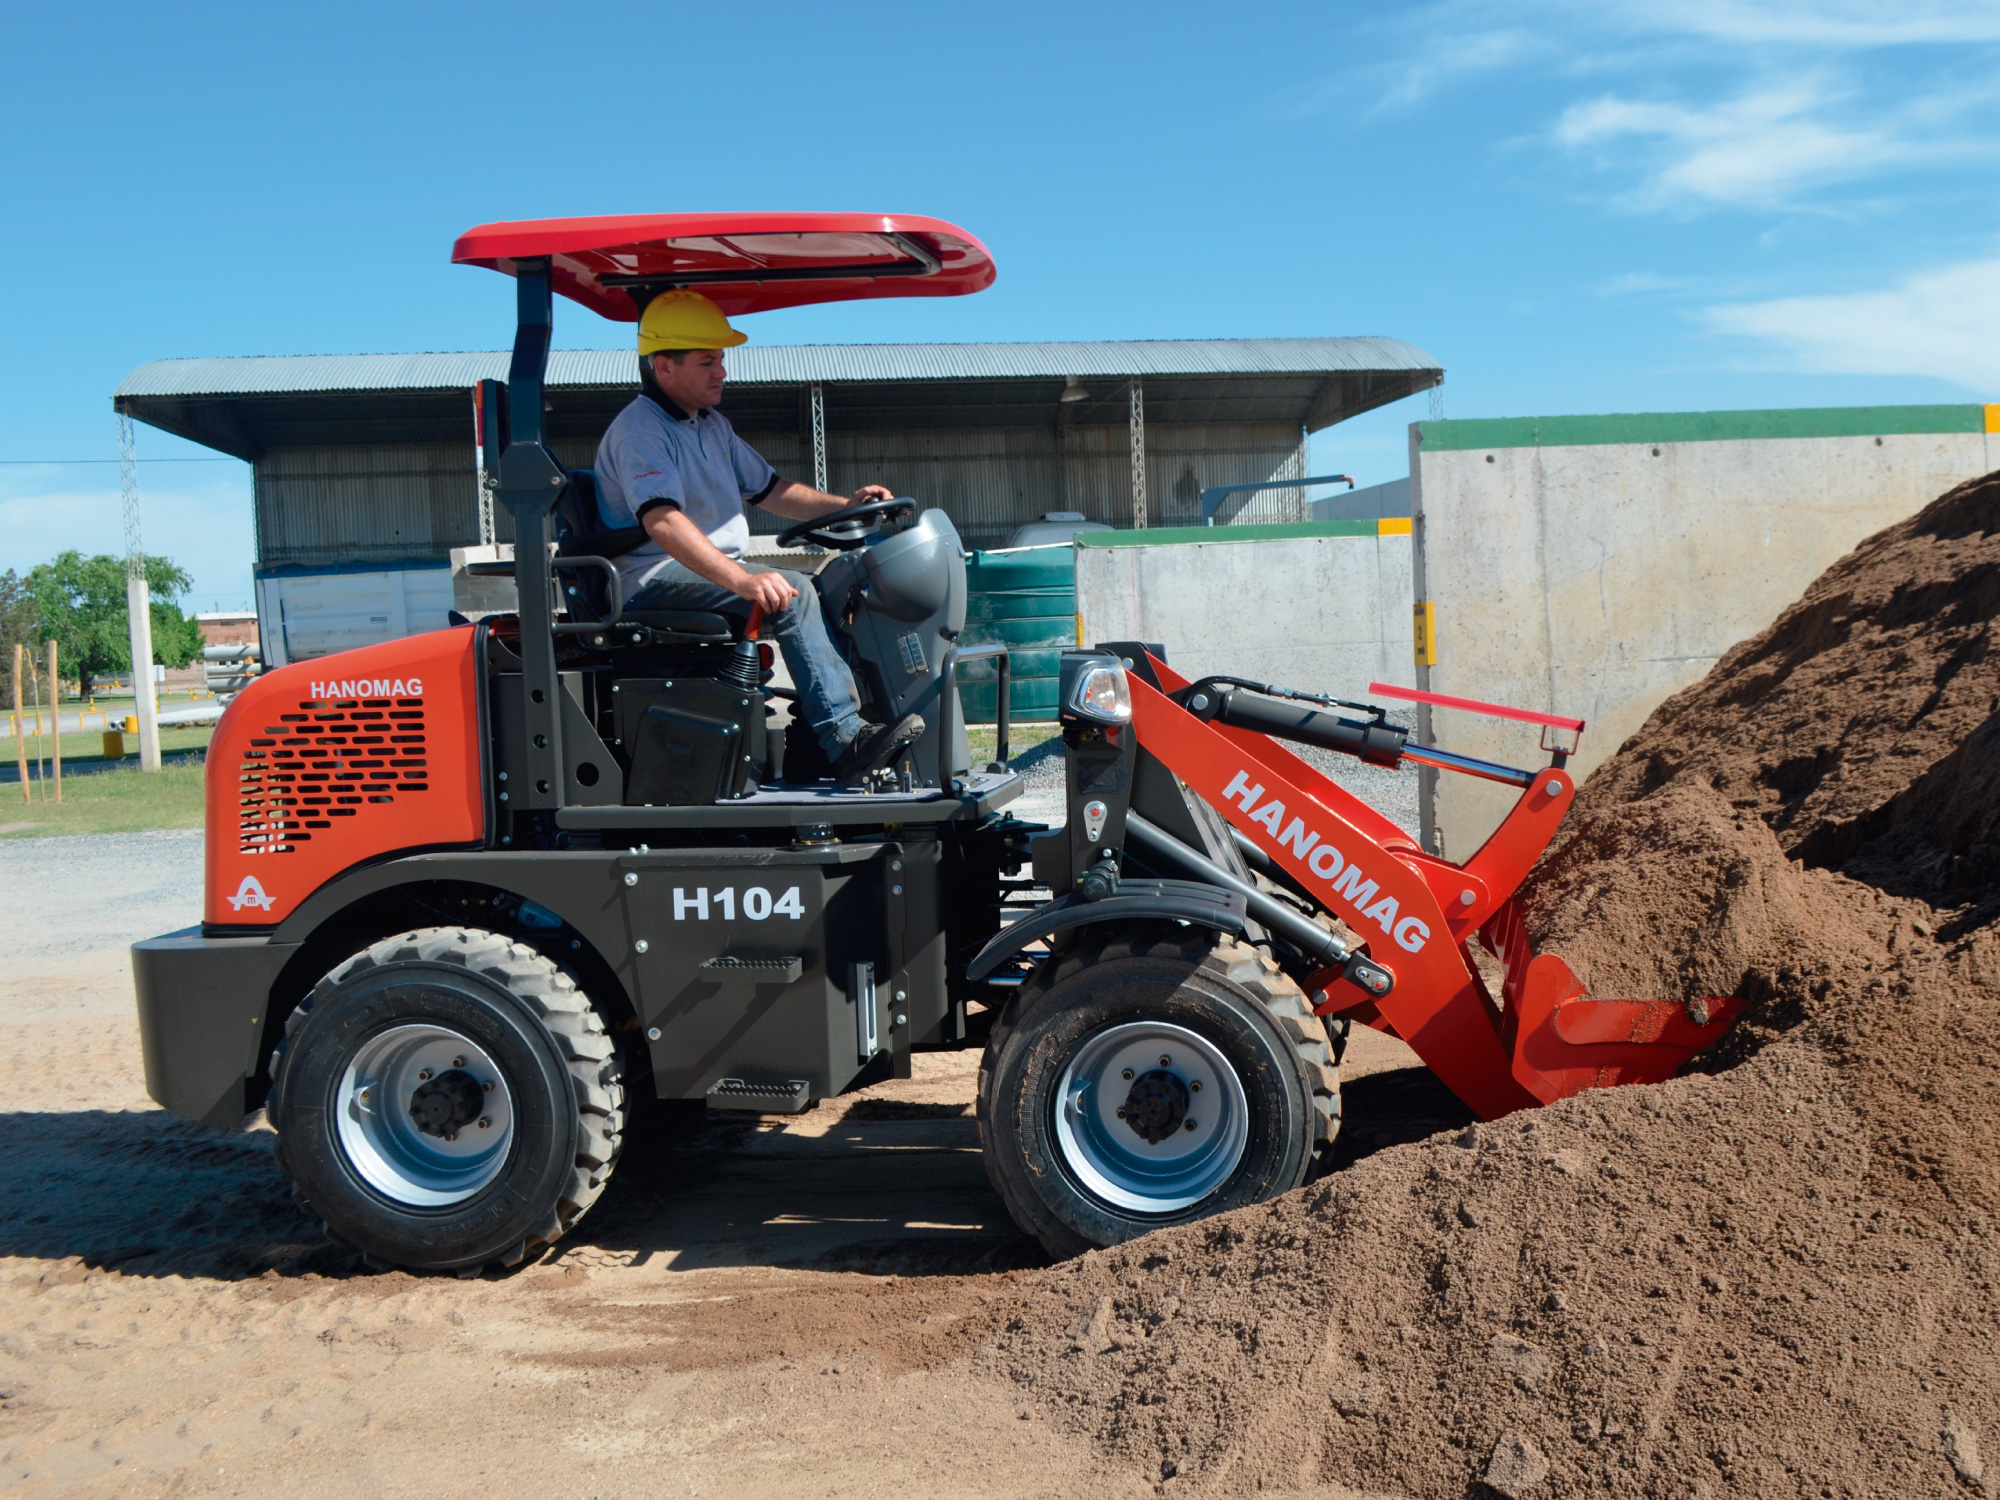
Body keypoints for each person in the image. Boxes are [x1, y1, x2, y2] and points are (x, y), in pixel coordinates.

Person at [592, 289, 923, 783]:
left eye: (720, 360)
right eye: (707, 362)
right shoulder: (641, 431)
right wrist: (743, 581)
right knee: (794, 591)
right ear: (664, 367)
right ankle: (844, 739)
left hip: (703, 572)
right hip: (648, 577)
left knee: (834, 587)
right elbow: (661, 521)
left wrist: (847, 506)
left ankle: (812, 746)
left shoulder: (711, 426)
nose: (721, 372)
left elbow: (772, 490)